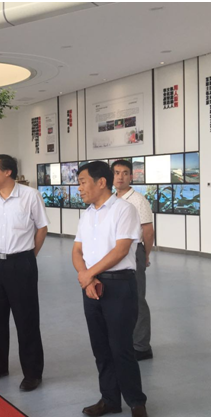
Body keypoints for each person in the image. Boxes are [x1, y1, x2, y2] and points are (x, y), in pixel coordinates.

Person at [72, 161, 147, 417]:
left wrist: (88, 274)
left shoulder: (124, 210)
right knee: (101, 348)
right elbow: (77, 250)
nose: (79, 188)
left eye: (83, 182)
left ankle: (136, 402)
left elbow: (121, 250)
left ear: (101, 182)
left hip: (118, 284)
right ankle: (110, 400)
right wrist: (87, 278)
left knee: (121, 347)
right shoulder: (87, 214)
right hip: (91, 287)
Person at [0, 154, 48, 392]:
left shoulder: (30, 196)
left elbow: (42, 227)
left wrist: (29, 256)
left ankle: (32, 373)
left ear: (8, 172)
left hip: (22, 262)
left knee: (26, 319)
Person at [111, 160, 154, 361]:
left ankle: (142, 346)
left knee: (137, 298)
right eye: (116, 172)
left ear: (131, 176)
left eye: (125, 173)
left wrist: (145, 255)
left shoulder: (138, 200)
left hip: (134, 251)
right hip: (116, 253)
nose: (120, 177)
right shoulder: (112, 199)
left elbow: (148, 231)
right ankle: (128, 340)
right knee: (121, 298)